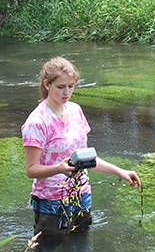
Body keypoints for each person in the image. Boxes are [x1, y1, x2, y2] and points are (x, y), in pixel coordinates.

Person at [21, 56, 141, 240]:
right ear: (47, 84)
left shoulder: (76, 110)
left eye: (71, 86)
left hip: (82, 196)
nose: (66, 92)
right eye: (61, 87)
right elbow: (31, 170)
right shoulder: (37, 122)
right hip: (51, 204)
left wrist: (119, 171)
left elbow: (87, 159)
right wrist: (59, 168)